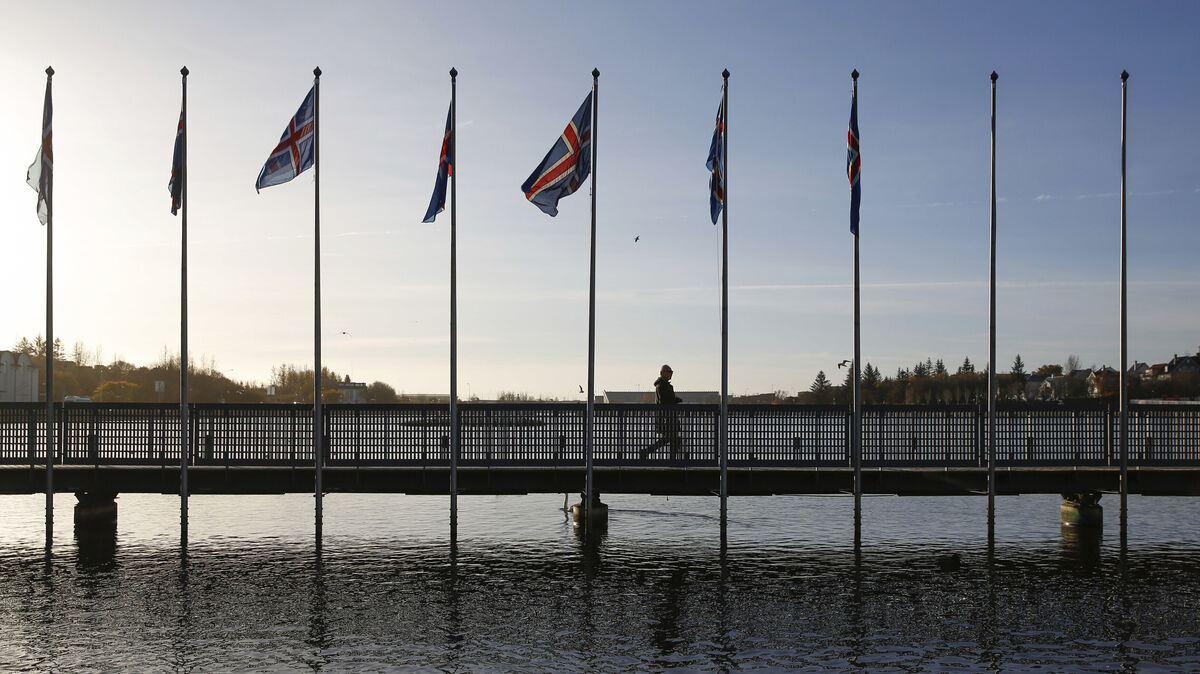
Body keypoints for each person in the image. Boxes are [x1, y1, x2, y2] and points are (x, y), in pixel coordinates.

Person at [640, 364, 683, 460]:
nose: (671, 374)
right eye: (669, 372)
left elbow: (667, 399)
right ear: (662, 373)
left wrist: (675, 400)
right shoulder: (661, 386)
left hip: (670, 417)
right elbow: (664, 401)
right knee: (673, 437)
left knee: (671, 438)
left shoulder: (666, 385)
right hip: (666, 418)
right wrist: (675, 401)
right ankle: (672, 460)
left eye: (672, 372)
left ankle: (647, 452)